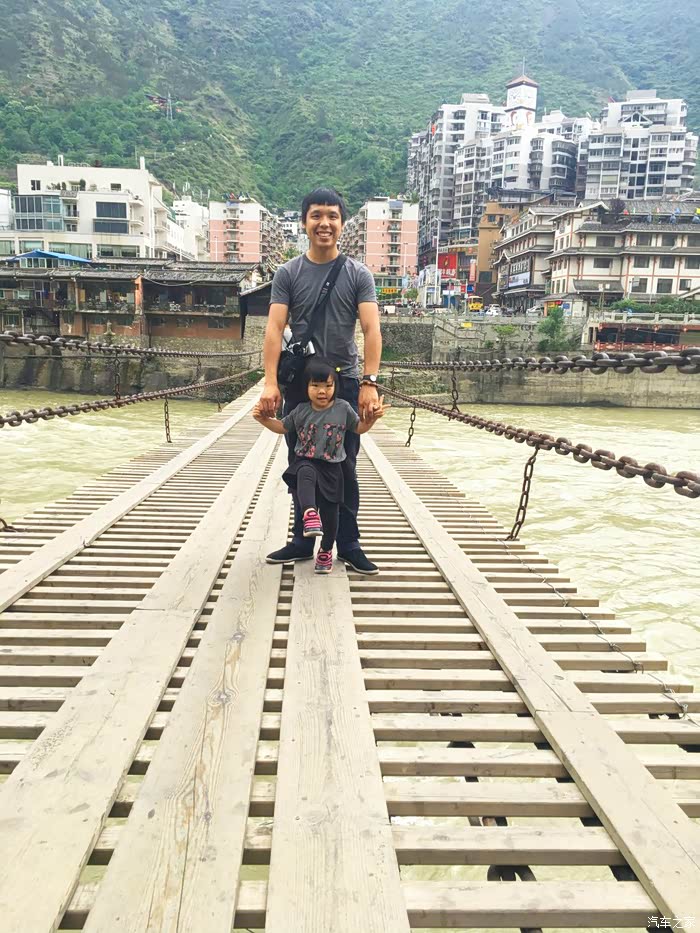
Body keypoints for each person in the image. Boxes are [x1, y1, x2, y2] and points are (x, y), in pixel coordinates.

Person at [258, 186, 383, 574]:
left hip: (344, 382)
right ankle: (301, 540)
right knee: (301, 464)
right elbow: (274, 328)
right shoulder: (288, 273)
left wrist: (369, 382)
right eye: (316, 215)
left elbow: (371, 329)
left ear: (342, 223)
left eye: (332, 216)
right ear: (304, 222)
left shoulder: (358, 274)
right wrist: (270, 382)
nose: (324, 223)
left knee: (345, 466)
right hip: (302, 384)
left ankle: (348, 543)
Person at [253, 358, 388, 574]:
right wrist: (263, 419)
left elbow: (358, 428)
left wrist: (371, 420)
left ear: (336, 387)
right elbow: (283, 427)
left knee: (331, 515)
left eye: (328, 385)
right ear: (306, 388)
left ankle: (325, 551)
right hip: (306, 460)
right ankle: (309, 514)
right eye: (315, 386)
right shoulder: (301, 410)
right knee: (304, 474)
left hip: (332, 467)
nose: (322, 391)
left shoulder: (343, 408)